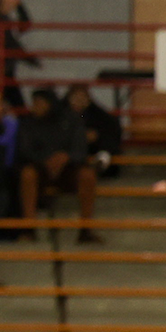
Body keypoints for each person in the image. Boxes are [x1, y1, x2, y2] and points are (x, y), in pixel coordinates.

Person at [17, 87, 99, 240]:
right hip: (41, 169)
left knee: (88, 175)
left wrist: (65, 157)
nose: (35, 107)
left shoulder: (72, 119)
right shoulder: (28, 123)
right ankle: (29, 228)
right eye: (34, 103)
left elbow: (80, 149)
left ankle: (86, 230)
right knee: (27, 174)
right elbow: (24, 150)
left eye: (39, 103)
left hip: (69, 169)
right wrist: (45, 160)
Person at [0, 0, 36, 107]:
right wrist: (29, 58)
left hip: (5, 69)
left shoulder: (6, 18)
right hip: (0, 70)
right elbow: (11, 42)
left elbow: (25, 25)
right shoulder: (0, 19)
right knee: (15, 106)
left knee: (7, 105)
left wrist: (20, 5)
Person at [66, 84, 122, 175]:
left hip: (93, 147)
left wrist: (96, 135)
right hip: (69, 150)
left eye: (82, 97)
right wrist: (81, 136)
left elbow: (112, 129)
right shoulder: (61, 115)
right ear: (69, 99)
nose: (79, 101)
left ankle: (102, 159)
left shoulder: (99, 115)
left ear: (88, 99)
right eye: (75, 97)